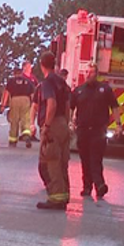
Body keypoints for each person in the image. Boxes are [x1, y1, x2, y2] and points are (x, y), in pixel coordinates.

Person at [71, 64, 122, 200]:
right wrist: (70, 122)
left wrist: (118, 125)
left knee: (96, 159)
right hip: (82, 131)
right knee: (85, 160)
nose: (89, 74)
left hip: (98, 131)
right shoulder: (79, 91)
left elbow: (115, 107)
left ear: (97, 74)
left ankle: (99, 185)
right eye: (87, 72)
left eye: (92, 72)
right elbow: (71, 107)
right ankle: (87, 187)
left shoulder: (104, 89)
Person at [33, 52, 72, 210]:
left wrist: (47, 126)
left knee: (50, 162)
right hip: (63, 122)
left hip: (53, 124)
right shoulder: (62, 83)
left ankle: (56, 198)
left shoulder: (47, 82)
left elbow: (52, 104)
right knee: (62, 161)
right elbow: (68, 105)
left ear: (42, 65)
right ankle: (63, 196)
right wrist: (66, 123)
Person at [0, 61, 37, 148]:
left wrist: (3, 105)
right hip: (26, 100)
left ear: (14, 74)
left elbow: (6, 93)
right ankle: (27, 135)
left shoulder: (11, 81)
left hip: (14, 100)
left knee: (14, 120)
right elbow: (32, 95)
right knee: (26, 119)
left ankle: (13, 140)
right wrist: (33, 105)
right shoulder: (28, 81)